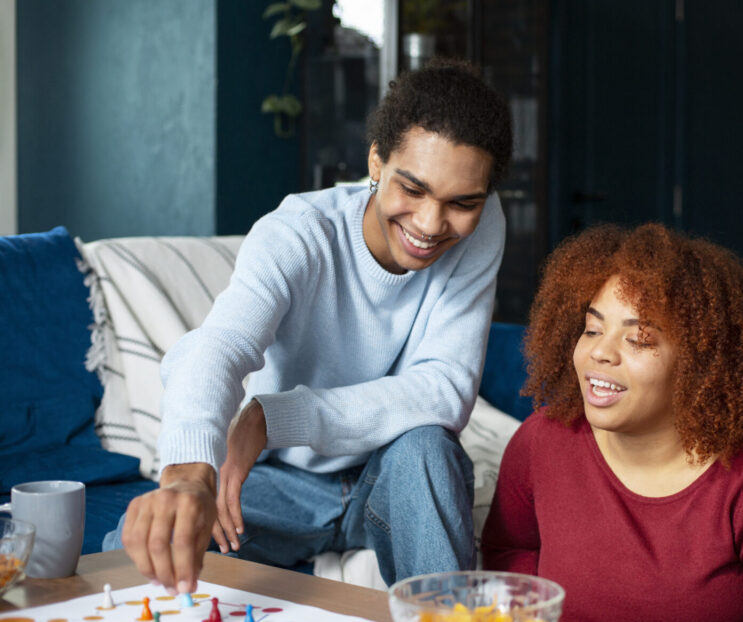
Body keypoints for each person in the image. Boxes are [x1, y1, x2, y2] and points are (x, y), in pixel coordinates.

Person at [105, 59, 513, 593]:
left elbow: (445, 390)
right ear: (376, 160)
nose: (431, 224)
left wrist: (275, 417)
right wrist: (187, 474)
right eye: (412, 189)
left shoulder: (483, 226)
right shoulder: (300, 233)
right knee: (131, 553)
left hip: (388, 478)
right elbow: (220, 345)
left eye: (461, 203)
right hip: (279, 485)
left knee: (426, 448)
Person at [482, 223, 743, 622]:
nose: (600, 353)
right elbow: (511, 548)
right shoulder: (542, 441)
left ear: (701, 364)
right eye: (592, 329)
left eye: (639, 339)